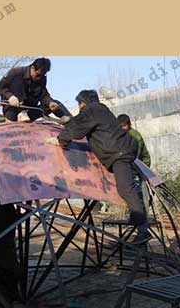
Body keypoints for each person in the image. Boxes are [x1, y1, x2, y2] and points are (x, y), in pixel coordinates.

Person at [47, 90, 150, 244]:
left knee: (125, 188)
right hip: (124, 150)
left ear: (83, 102)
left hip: (120, 153)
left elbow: (76, 129)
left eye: (79, 104)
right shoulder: (101, 110)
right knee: (129, 187)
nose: (80, 108)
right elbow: (80, 124)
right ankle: (137, 219)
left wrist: (61, 140)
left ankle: (142, 229)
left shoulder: (91, 110)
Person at [0, 57, 71, 122]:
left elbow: (43, 95)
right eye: (38, 75)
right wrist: (10, 96)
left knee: (55, 103)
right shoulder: (16, 72)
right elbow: (0, 87)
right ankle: (21, 113)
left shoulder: (41, 79)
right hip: (12, 111)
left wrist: (50, 103)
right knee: (17, 81)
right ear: (32, 68)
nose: (39, 78)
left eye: (43, 75)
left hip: (30, 111)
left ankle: (69, 120)